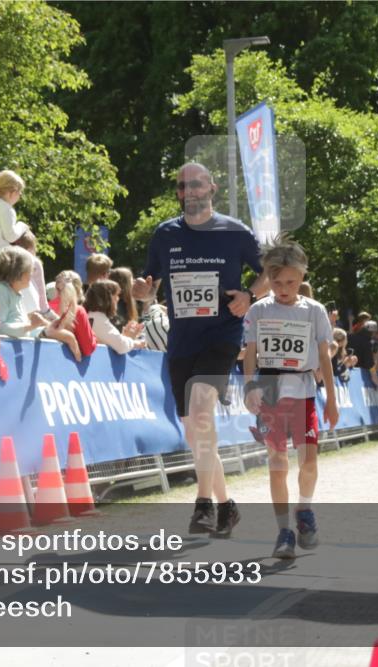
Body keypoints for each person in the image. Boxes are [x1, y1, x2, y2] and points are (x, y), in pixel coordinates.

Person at [132, 162, 267, 537]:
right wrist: (142, 291)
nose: (189, 191)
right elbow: (148, 281)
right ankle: (227, 506)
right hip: (182, 342)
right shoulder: (165, 235)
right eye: (182, 186)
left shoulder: (234, 232)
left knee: (201, 408)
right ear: (178, 193)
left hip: (221, 335)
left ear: (212, 188)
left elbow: (269, 270)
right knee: (196, 432)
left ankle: (203, 504)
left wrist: (249, 295)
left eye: (196, 184)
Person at [242, 237, 337, 558]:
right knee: (278, 463)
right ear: (268, 279)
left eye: (291, 282)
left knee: (308, 463)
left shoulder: (314, 311)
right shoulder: (259, 310)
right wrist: (249, 386)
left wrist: (333, 400)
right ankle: (284, 531)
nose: (284, 287)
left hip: (305, 394)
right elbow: (250, 352)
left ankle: (305, 510)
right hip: (270, 393)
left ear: (302, 278)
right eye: (277, 281)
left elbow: (325, 357)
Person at [0, 247, 54, 339]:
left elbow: (21, 332)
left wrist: (48, 328)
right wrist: (30, 326)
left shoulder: (11, 292)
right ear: (19, 271)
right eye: (31, 270)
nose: (32, 274)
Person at [84, 279, 146, 354]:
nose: (118, 299)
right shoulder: (98, 318)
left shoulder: (92, 316)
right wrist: (136, 343)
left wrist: (125, 336)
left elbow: (116, 342)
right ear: (107, 298)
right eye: (116, 295)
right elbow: (121, 346)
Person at [53, 269, 95, 361]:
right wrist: (94, 336)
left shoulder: (47, 308)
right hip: (68, 367)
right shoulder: (77, 311)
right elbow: (88, 349)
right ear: (78, 289)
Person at [10, 230, 51, 318]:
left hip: (15, 309)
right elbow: (41, 292)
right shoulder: (34, 262)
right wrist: (46, 311)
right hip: (33, 308)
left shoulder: (9, 262)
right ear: (32, 247)